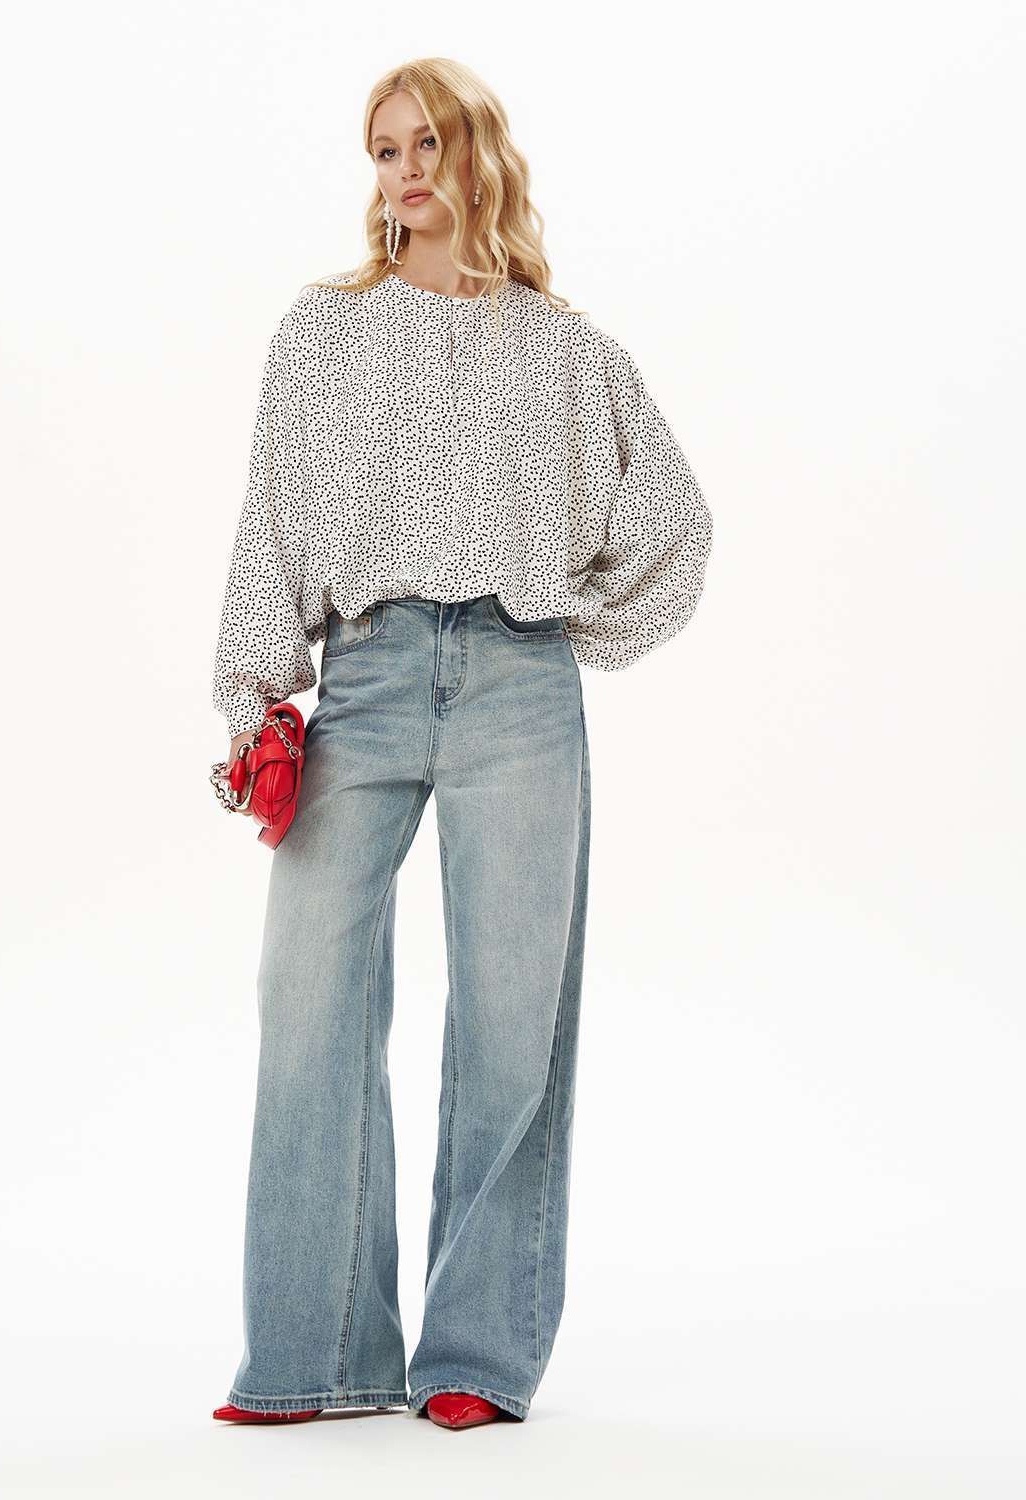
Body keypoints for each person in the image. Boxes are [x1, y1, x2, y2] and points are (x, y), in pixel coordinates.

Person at [210, 56, 713, 1432]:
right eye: (383, 150)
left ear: (479, 153)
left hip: (518, 686)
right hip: (365, 676)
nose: (405, 171)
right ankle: (316, 1350)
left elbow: (675, 524)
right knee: (307, 995)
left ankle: (475, 1355)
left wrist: (573, 623)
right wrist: (258, 700)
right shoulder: (321, 333)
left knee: (511, 1020)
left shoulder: (568, 352)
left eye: (427, 143)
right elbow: (271, 520)